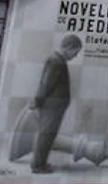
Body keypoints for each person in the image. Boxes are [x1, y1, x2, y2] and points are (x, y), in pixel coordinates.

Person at [28, 33, 81, 172]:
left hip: (53, 107)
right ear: (69, 47)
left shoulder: (57, 60)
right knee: (46, 135)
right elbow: (46, 84)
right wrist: (37, 101)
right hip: (51, 107)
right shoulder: (56, 61)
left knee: (47, 134)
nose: (75, 56)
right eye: (76, 52)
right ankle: (38, 166)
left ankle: (40, 164)